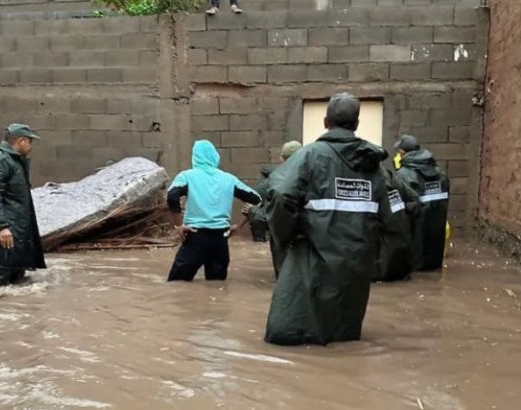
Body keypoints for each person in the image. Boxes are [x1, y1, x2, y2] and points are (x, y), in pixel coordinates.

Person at [264, 93, 396, 346]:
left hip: (314, 254)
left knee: (288, 333)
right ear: (356, 124)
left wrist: (285, 235)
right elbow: (390, 216)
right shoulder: (374, 167)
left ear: (326, 122)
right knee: (342, 336)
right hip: (357, 261)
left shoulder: (310, 156)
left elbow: (280, 194)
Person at [166, 139, 261, 281]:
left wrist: (179, 226)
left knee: (177, 284)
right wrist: (239, 225)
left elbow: (172, 196)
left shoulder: (187, 176)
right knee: (217, 287)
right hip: (220, 241)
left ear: (195, 157)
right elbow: (257, 200)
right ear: (215, 156)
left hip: (195, 238)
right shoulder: (229, 179)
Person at [0, 124, 46, 286]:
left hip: (17, 231)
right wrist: (2, 227)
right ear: (21, 141)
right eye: (30, 141)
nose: (31, 146)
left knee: (16, 280)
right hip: (4, 232)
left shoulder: (14, 160)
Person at [243, 140, 302, 278]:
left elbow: (267, 213)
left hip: (284, 236)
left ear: (282, 159)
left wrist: (252, 211)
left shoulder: (275, 179)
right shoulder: (316, 176)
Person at [393, 134, 449, 271]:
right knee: (433, 272)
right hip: (436, 242)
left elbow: (400, 208)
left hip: (414, 243)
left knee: (416, 273)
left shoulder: (403, 174)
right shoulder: (440, 172)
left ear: (401, 153)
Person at [374, 166, 417, 282]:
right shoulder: (390, 176)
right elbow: (414, 198)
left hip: (386, 237)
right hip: (401, 237)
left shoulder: (369, 178)